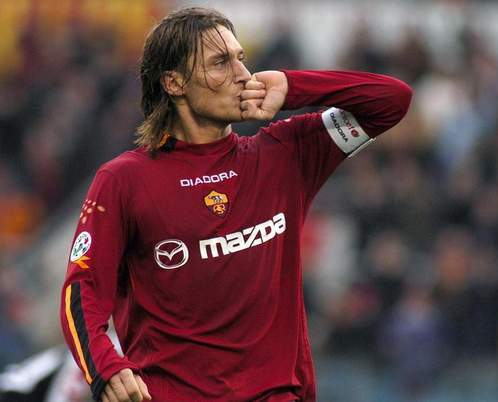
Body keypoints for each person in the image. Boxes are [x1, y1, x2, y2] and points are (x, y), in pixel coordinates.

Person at [59, 6, 412, 402]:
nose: (243, 75)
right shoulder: (124, 180)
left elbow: (392, 100)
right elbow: (82, 290)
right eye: (220, 63)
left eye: (241, 58)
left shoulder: (285, 154)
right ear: (174, 82)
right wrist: (105, 368)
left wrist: (292, 86)